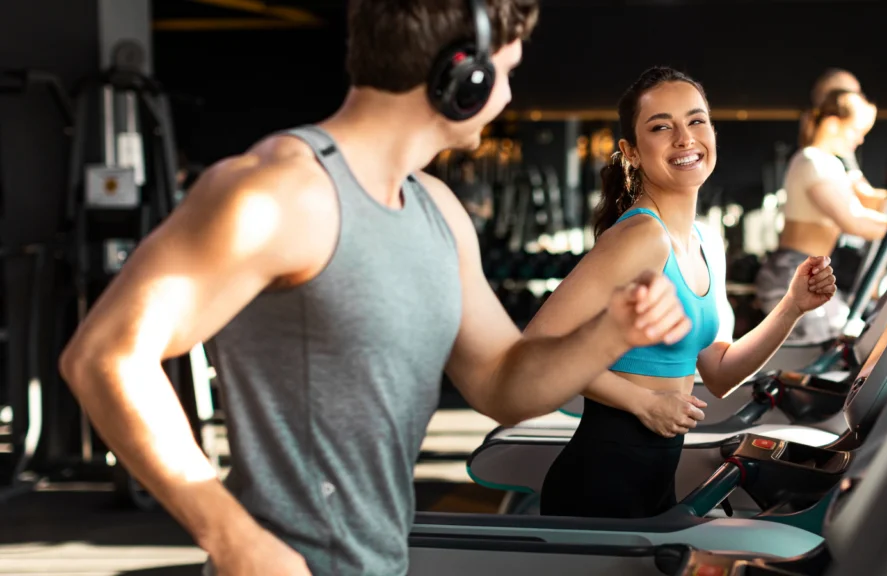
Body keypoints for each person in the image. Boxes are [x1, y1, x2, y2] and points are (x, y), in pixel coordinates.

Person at [55, 2, 697, 575]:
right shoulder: (282, 190)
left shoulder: (437, 212)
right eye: (503, 73)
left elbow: (504, 384)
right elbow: (106, 355)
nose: (506, 96)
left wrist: (610, 331)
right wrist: (232, 538)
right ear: (461, 76)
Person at [525, 66, 838, 519]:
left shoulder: (707, 240)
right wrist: (643, 403)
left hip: (653, 481)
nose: (685, 138)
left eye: (696, 121)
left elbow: (719, 372)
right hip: (600, 482)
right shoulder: (640, 237)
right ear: (630, 152)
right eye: (660, 127)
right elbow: (537, 347)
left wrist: (792, 307)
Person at [757, 89, 887, 345]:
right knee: (832, 346)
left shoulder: (829, 163)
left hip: (810, 272)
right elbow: (853, 221)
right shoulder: (812, 161)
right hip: (792, 274)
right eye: (856, 131)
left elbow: (866, 201)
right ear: (832, 124)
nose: (861, 139)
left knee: (846, 338)